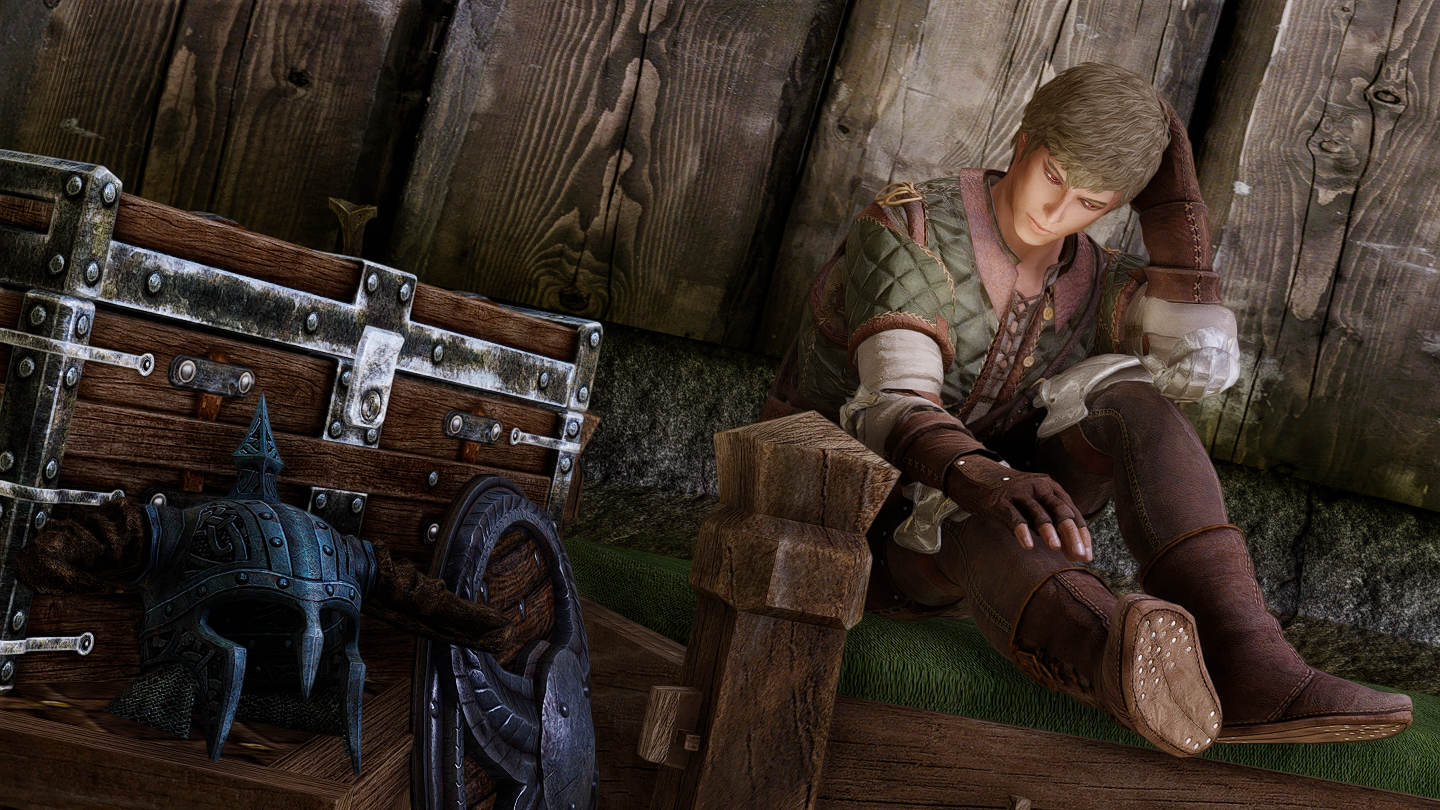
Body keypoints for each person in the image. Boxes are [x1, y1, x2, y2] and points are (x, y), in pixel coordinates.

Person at [764, 62, 1411, 757]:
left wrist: (1175, 210)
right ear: (1023, 142)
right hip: (843, 526)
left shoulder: (1098, 279)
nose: (1054, 212)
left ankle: (1248, 656)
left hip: (986, 543)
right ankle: (1124, 665)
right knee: (976, 510)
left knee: (1134, 399)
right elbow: (892, 403)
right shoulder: (908, 227)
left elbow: (1201, 364)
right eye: (1052, 176)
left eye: (1089, 201)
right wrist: (987, 477)